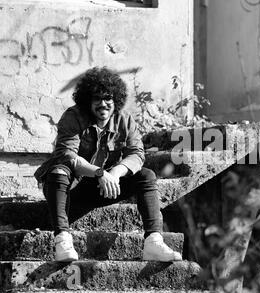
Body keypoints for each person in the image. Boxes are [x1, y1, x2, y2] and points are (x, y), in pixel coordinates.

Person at [34, 66, 182, 263]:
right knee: (58, 171)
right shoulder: (74, 116)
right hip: (73, 188)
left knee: (146, 176)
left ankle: (153, 241)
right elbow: (66, 154)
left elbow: (137, 153)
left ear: (116, 100)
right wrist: (99, 173)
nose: (103, 104)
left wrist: (114, 173)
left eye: (108, 98)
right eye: (97, 99)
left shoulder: (124, 120)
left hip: (106, 188)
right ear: (88, 100)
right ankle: (62, 239)